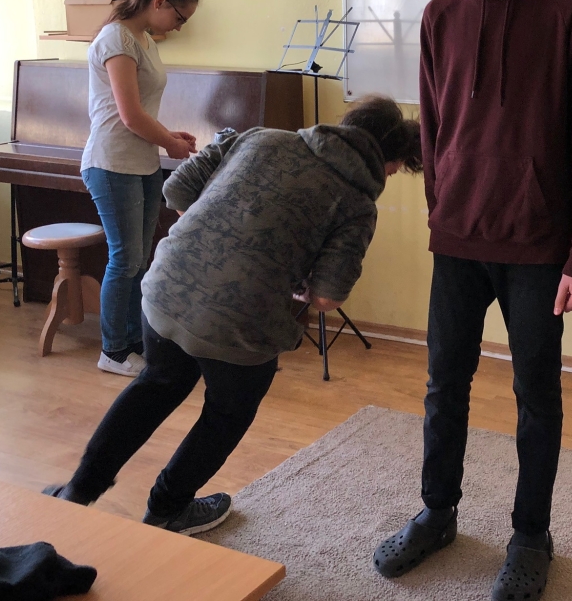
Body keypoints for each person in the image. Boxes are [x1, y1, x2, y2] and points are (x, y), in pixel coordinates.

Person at [372, 0, 572, 598]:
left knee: (537, 395)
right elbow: (435, 126)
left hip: (538, 245)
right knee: (445, 384)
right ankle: (437, 513)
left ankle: (531, 534)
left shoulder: (571, 10)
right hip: (459, 239)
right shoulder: (442, 14)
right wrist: (440, 209)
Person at [46, 96, 422, 535]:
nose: (390, 177)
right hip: (240, 322)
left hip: (167, 287)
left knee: (156, 385)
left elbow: (176, 191)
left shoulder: (261, 137)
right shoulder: (356, 202)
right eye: (395, 169)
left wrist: (217, 239)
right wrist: (291, 282)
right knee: (227, 413)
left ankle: (78, 490)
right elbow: (327, 297)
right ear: (388, 159)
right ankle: (168, 509)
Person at [81, 0, 199, 377]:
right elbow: (128, 116)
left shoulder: (143, 39)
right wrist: (168, 142)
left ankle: (134, 341)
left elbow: (141, 109)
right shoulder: (116, 38)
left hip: (142, 161)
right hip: (112, 162)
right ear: (159, 1)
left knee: (139, 260)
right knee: (125, 259)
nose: (180, 27)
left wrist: (168, 135)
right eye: (180, 17)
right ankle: (112, 350)